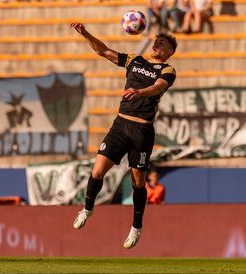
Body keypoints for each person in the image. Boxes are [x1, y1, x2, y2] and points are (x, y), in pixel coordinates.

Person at [70, 22, 177, 249]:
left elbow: (158, 87)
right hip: (120, 125)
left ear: (169, 52)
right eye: (156, 41)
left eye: (163, 43)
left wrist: (140, 92)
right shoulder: (135, 60)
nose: (157, 43)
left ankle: (136, 227)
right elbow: (104, 51)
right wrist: (86, 33)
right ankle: (87, 209)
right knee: (97, 171)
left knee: (138, 181)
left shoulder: (168, 70)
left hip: (142, 131)